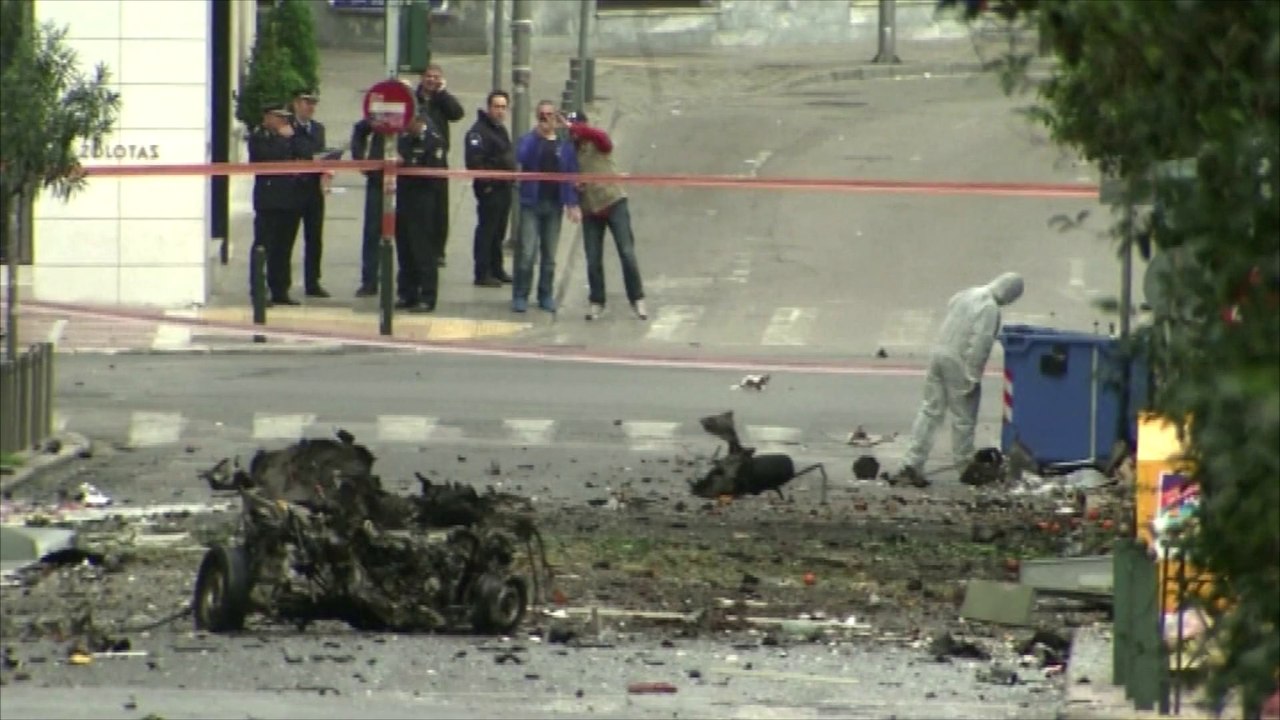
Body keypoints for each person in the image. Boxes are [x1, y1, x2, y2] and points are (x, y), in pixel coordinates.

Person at [889, 273, 1026, 488]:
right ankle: (965, 466)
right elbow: (980, 344)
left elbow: (951, 306)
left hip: (939, 354)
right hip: (959, 361)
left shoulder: (968, 293)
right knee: (964, 418)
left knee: (930, 411)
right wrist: (973, 376)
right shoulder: (990, 308)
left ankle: (911, 464)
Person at [563, 111, 648, 321]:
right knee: (593, 257)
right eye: (571, 126)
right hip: (590, 207)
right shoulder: (568, 151)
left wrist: (577, 128)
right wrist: (573, 195)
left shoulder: (596, 141)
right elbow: (565, 178)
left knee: (626, 252)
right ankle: (597, 300)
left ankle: (637, 297)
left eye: (577, 126)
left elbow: (603, 139)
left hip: (613, 201)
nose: (574, 132)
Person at [512, 101, 581, 313]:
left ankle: (545, 294)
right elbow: (522, 156)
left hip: (553, 204)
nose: (546, 118)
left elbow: (570, 174)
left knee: (549, 255)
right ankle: (520, 294)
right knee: (527, 253)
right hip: (531, 203)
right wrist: (537, 135)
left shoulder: (563, 145)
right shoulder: (529, 139)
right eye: (542, 114)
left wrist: (572, 203)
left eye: (550, 114)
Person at [248, 102, 309, 306]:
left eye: (284, 117)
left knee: (283, 248)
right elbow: (268, 157)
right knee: (263, 246)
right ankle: (258, 290)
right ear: (267, 117)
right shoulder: (259, 136)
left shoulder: (290, 134)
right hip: (269, 200)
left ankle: (280, 289)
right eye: (278, 117)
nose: (283, 121)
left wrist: (293, 138)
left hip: (289, 199)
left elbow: (305, 151)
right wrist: (284, 140)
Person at [393, 110, 448, 313]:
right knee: (405, 250)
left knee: (424, 252)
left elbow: (433, 174)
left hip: (424, 203)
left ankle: (427, 296)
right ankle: (407, 293)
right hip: (404, 200)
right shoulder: (404, 139)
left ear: (419, 120)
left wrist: (406, 163)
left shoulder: (434, 141)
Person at [464, 90, 516, 288]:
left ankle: (496, 268)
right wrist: (488, 185)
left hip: (504, 187)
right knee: (487, 231)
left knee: (498, 231)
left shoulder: (499, 129)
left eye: (503, 107)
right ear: (489, 108)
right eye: (496, 107)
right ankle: (482, 272)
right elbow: (475, 162)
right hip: (490, 189)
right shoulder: (478, 132)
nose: (500, 111)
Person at [414, 64, 465, 267]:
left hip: (438, 161)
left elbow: (457, 114)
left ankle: (438, 251)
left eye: (436, 77)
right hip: (415, 161)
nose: (432, 80)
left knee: (439, 209)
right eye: (429, 76)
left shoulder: (442, 100)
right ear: (422, 78)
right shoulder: (414, 98)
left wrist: (443, 94)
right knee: (419, 208)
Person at [290, 88, 331, 298]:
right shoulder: (289, 128)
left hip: (314, 190)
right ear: (296, 104)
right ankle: (281, 283)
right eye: (307, 103)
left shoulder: (318, 129)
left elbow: (320, 153)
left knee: (314, 238)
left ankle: (313, 281)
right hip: (293, 189)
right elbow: (292, 153)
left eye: (313, 103)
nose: (311, 107)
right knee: (287, 237)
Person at [350, 116, 386, 297]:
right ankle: (369, 281)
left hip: (406, 182)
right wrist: (360, 158)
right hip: (377, 180)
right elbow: (360, 129)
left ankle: (409, 284)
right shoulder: (380, 113)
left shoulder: (413, 112)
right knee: (372, 232)